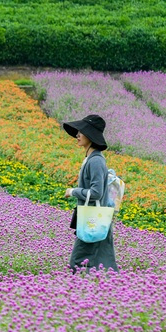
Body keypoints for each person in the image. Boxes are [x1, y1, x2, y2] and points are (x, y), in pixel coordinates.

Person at [62, 114, 118, 272]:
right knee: (103, 261)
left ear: (91, 136)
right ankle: (109, 290)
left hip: (93, 220)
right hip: (95, 219)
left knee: (78, 262)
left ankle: (82, 292)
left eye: (81, 132)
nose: (77, 135)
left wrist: (73, 191)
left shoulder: (96, 161)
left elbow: (96, 193)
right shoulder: (92, 159)